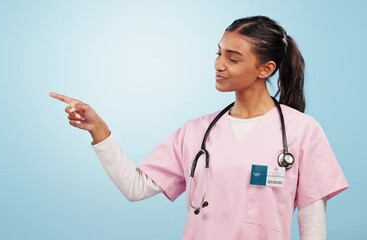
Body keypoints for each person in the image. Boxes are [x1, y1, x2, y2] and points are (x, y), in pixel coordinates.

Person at [50, 16, 348, 240]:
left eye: (232, 58)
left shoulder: (301, 131)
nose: (219, 65)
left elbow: (312, 227)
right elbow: (135, 187)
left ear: (265, 69)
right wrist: (99, 130)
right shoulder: (196, 132)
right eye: (218, 54)